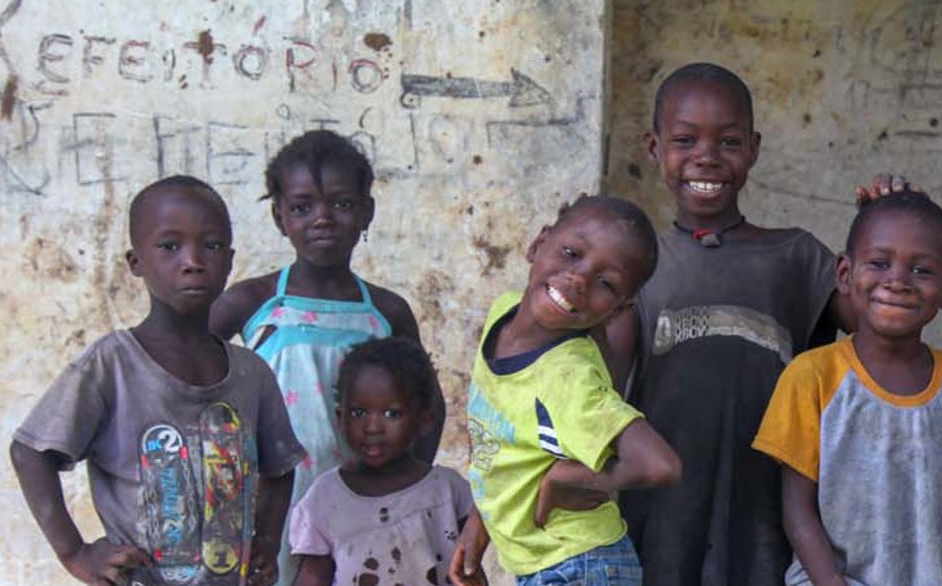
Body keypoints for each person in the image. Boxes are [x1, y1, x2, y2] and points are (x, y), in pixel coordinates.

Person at [604, 62, 851, 586]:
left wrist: (888, 220)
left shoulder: (796, 257)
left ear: (754, 149)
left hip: (769, 508)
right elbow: (600, 388)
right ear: (654, 149)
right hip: (662, 512)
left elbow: (878, 316)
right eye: (685, 139)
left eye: (729, 141)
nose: (707, 157)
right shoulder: (635, 266)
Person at [11, 176, 304, 586]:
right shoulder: (112, 364)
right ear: (136, 263)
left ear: (231, 259)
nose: (193, 260)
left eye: (212, 245)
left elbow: (281, 465)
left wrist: (267, 542)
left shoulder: (250, 373)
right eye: (170, 247)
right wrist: (75, 553)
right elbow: (30, 452)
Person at [208, 129, 434, 585]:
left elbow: (428, 401)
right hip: (273, 501)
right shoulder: (253, 301)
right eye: (302, 207)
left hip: (364, 500)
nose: (323, 219)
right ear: (279, 217)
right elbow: (188, 376)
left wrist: (411, 485)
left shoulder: (386, 312)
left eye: (342, 204)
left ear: (366, 211)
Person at [753, 190, 942, 586]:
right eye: (880, 263)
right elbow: (797, 510)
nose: (897, 281)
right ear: (845, 275)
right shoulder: (812, 376)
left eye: (921, 270)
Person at [451, 195, 682, 586]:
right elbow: (504, 446)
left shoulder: (567, 377)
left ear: (619, 309)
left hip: (580, 566)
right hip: (554, 562)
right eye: (572, 253)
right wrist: (479, 525)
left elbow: (661, 465)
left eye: (605, 283)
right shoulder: (502, 313)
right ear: (538, 243)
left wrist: (578, 479)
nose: (579, 280)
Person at [286, 337, 473, 586]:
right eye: (358, 413)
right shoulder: (324, 498)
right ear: (340, 418)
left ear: (425, 419)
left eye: (391, 413)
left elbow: (472, 566)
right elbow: (313, 577)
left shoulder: (448, 490)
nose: (372, 427)